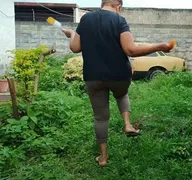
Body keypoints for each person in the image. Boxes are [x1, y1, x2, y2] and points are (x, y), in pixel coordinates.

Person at [62, 0, 174, 167]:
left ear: (103, 3)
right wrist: (160, 46)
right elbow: (131, 50)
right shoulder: (119, 20)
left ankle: (103, 158)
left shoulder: (86, 19)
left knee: (100, 118)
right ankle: (127, 124)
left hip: (93, 77)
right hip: (119, 75)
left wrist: (72, 34)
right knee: (121, 94)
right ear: (119, 6)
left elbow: (75, 48)